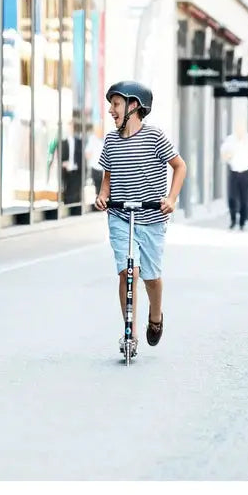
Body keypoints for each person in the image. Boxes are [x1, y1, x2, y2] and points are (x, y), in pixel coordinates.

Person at [94, 80, 187, 357]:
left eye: (116, 104)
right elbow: (108, 174)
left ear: (134, 106)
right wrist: (102, 195)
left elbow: (179, 166)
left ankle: (155, 317)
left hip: (152, 217)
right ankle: (129, 332)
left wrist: (171, 199)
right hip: (121, 214)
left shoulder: (155, 136)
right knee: (127, 271)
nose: (111, 110)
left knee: (151, 277)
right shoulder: (111, 140)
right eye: (111, 104)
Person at [220, 119, 248, 230]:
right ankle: (233, 219)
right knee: (232, 197)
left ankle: (242, 221)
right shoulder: (230, 139)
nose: (239, 130)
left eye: (241, 128)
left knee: (244, 198)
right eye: (238, 128)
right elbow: (223, 154)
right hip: (233, 171)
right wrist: (229, 155)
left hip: (246, 171)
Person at [84, 122, 105, 196]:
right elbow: (87, 153)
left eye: (100, 130)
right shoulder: (92, 139)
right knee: (97, 189)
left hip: (105, 169)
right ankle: (97, 205)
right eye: (97, 130)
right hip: (96, 168)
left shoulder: (105, 138)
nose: (98, 132)